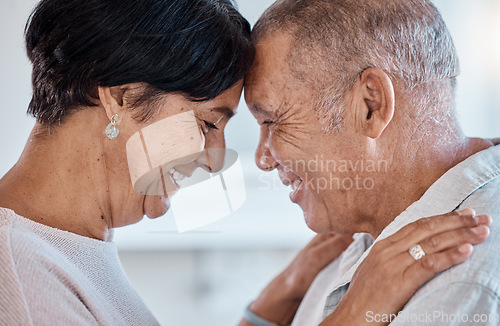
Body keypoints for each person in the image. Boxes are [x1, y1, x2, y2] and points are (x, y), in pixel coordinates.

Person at [0, 0, 491, 325]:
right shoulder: (19, 281)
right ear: (122, 97)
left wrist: (268, 311)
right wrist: (354, 317)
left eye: (273, 121)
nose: (220, 161)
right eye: (209, 123)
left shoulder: (69, 248)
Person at [244, 0, 500, 325]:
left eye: (272, 122)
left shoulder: (460, 282)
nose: (262, 159)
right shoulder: (355, 244)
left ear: (371, 105)